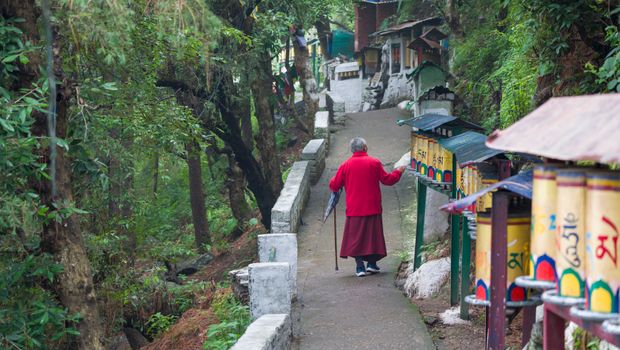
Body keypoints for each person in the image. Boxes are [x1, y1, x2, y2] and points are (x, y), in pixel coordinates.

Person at [329, 137, 406, 277]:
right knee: (372, 236)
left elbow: (334, 185)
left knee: (356, 238)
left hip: (354, 208)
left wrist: (333, 180)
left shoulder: (345, 165)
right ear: (365, 148)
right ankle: (371, 264)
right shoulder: (374, 162)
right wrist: (399, 171)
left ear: (352, 150)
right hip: (372, 206)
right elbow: (388, 180)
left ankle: (360, 267)